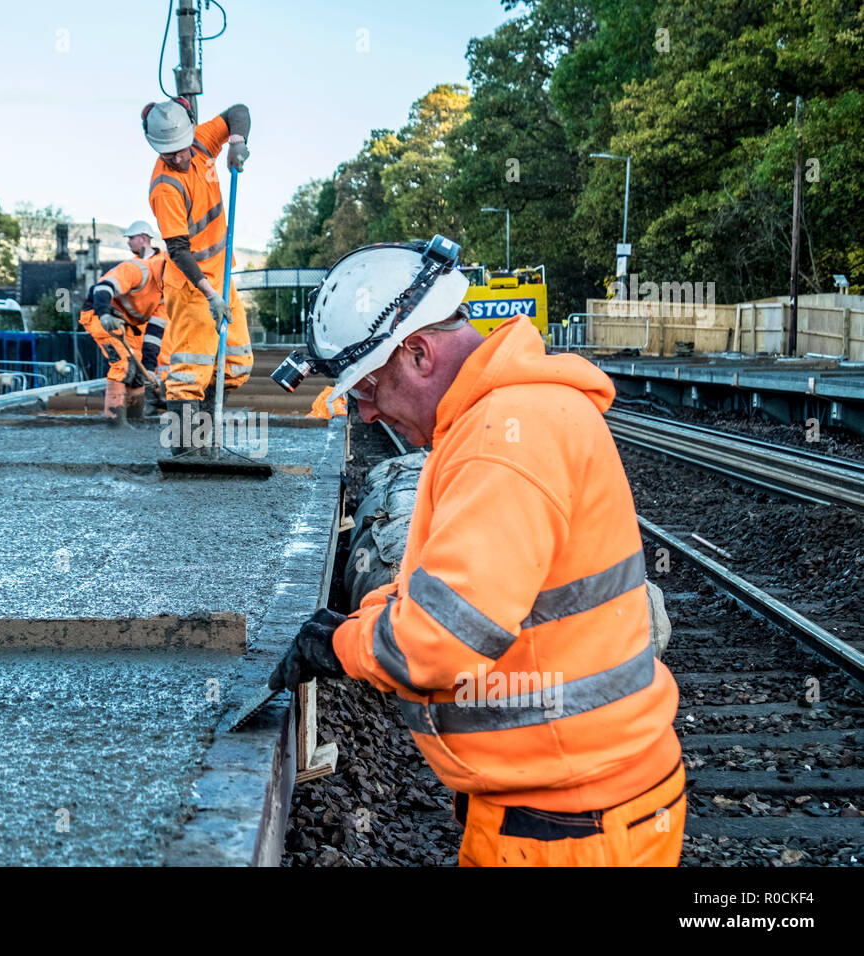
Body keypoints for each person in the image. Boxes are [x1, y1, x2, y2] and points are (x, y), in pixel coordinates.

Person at [268, 239, 684, 867]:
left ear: (418, 352)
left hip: (569, 825)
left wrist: (339, 647)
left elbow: (439, 637)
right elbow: (466, 589)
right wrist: (361, 619)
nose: (368, 410)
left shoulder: (500, 440)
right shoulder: (514, 415)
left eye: (370, 388)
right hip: (579, 801)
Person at [143, 96, 252, 456]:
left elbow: (238, 112)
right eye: (168, 153)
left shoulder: (202, 140)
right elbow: (177, 251)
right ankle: (186, 451)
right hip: (192, 287)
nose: (178, 157)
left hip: (221, 277)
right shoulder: (165, 188)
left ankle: (201, 435)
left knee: (238, 364)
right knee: (190, 373)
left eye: (181, 149)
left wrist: (237, 144)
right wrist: (209, 294)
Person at [77, 220, 171, 423]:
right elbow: (101, 289)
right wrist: (104, 315)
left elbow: (153, 336)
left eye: (131, 238)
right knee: (123, 364)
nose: (128, 243)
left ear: (143, 238)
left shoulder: (165, 295)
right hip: (98, 314)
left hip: (124, 324)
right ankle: (115, 422)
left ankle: (135, 421)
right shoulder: (138, 269)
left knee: (138, 371)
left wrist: (148, 368)